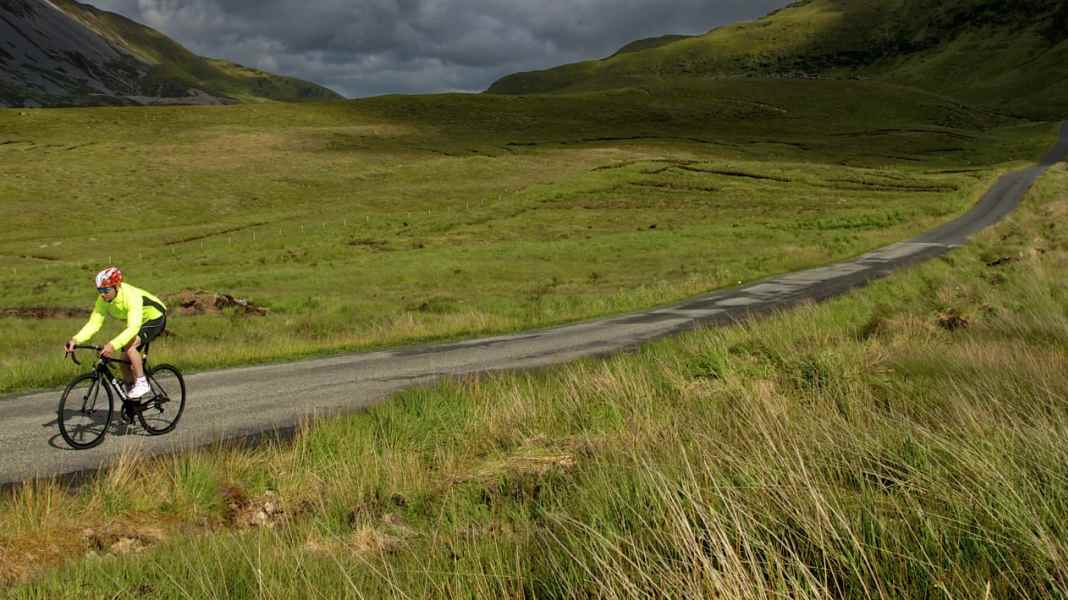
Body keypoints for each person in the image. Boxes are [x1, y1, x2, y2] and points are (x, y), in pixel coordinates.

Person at [64, 267, 168, 399]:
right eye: (99, 290)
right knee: (123, 362)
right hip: (139, 322)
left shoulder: (131, 296)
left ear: (117, 286)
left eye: (105, 290)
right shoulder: (103, 300)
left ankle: (142, 382)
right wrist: (75, 340)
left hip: (155, 317)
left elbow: (133, 328)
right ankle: (132, 400)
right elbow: (94, 323)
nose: (102, 294)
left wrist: (112, 345)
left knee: (130, 347)